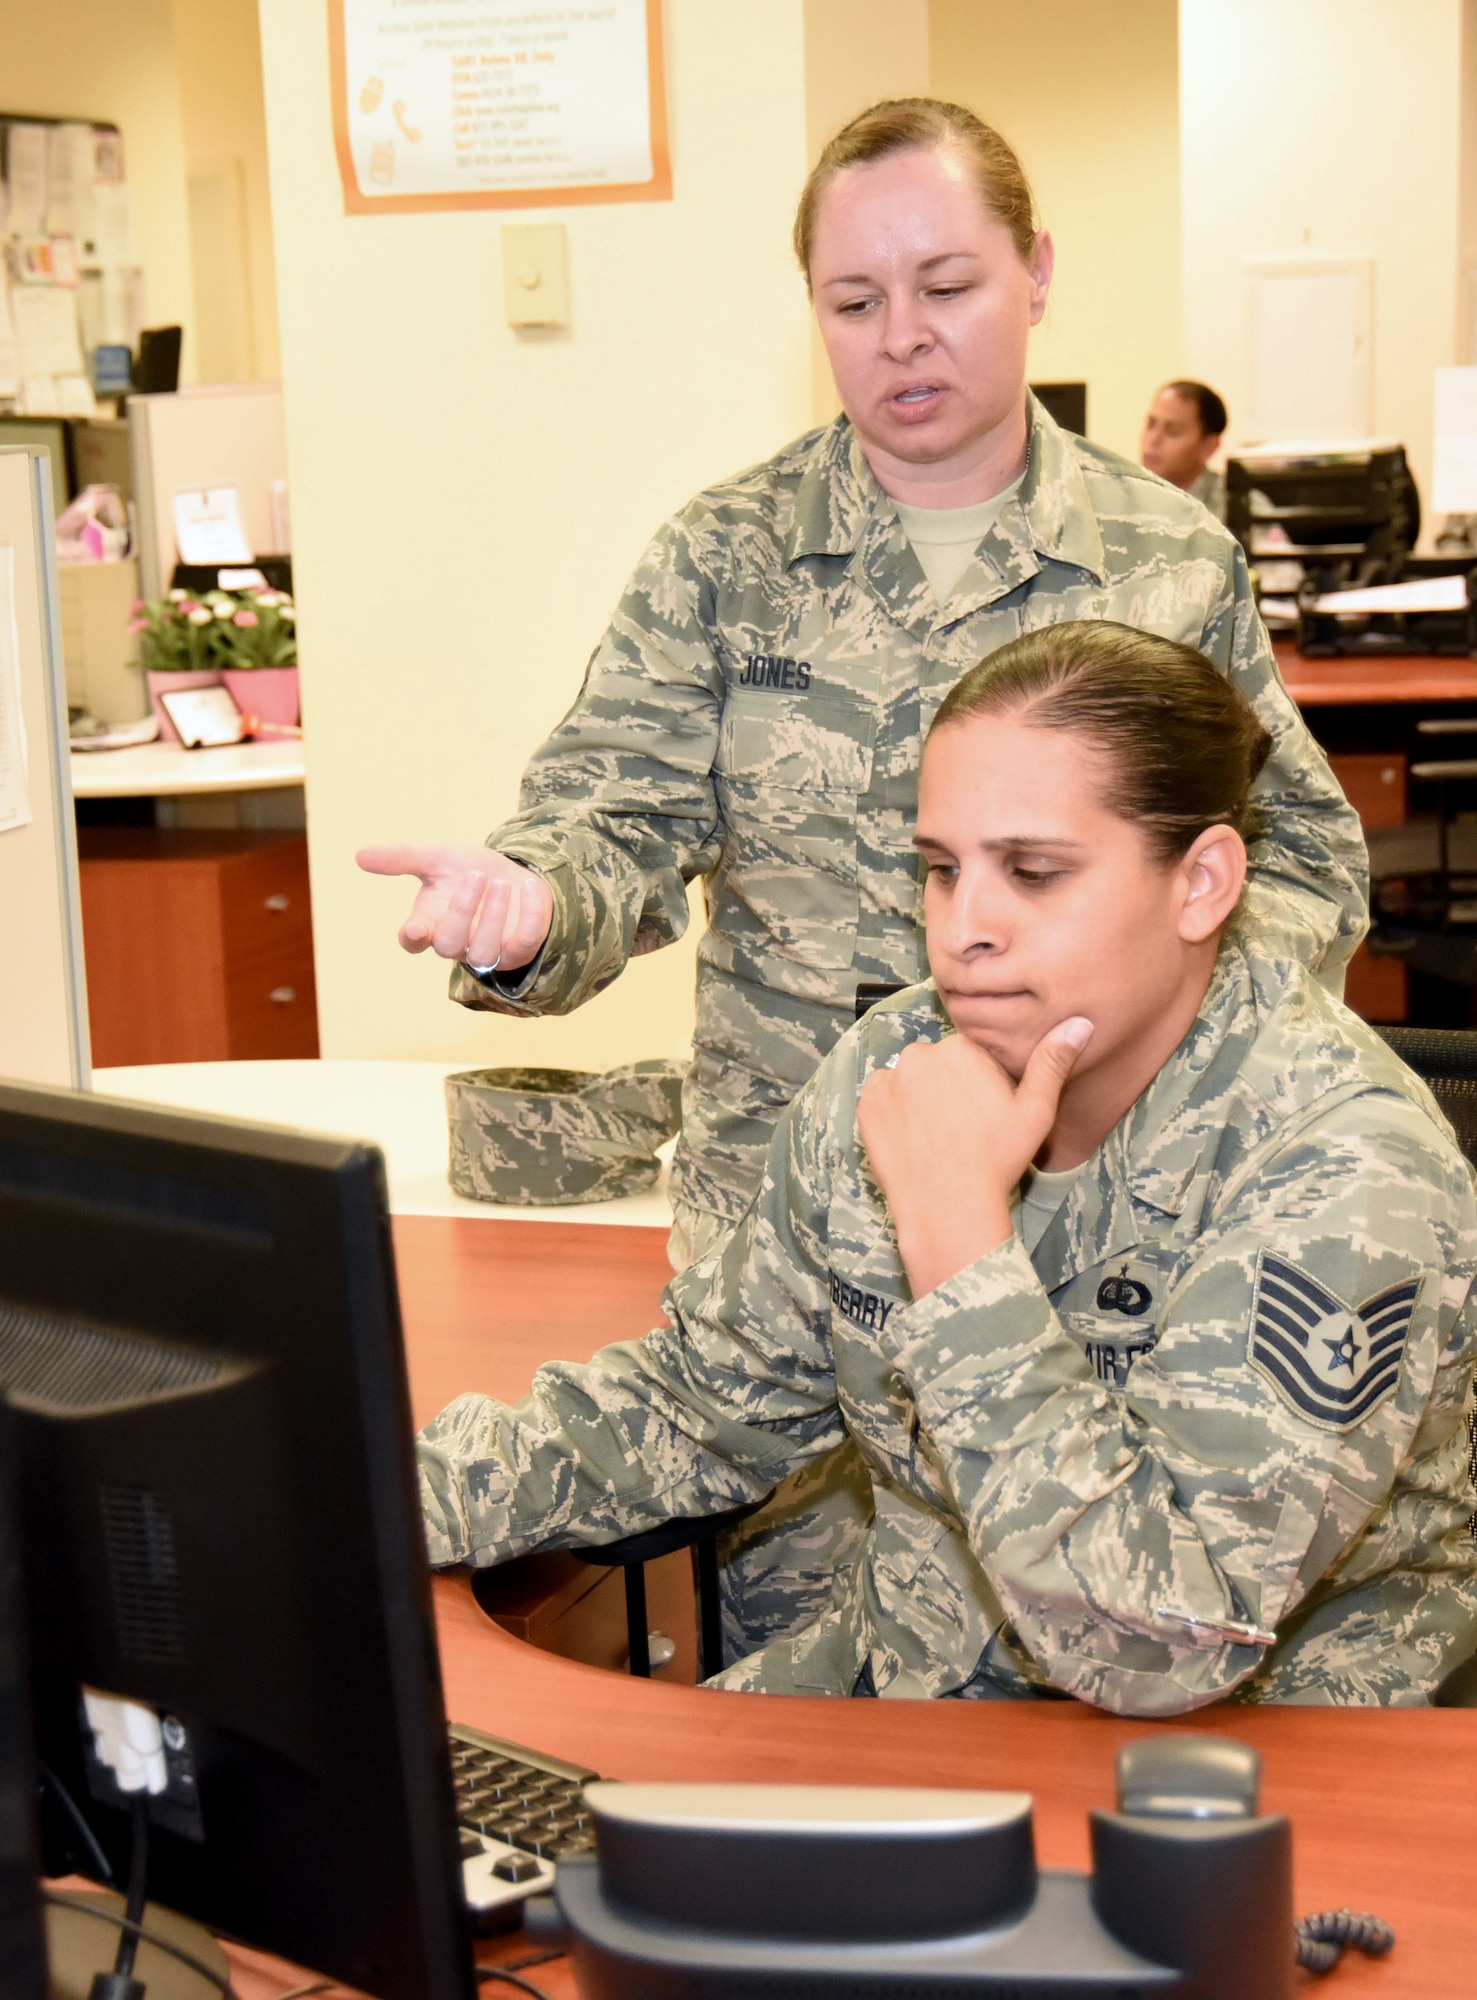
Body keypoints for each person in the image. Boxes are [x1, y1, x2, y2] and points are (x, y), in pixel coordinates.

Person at [367, 98, 1367, 1660]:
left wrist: (1174, 1054)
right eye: (853, 303)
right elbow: (601, 823)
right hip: (798, 1260)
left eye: (948, 286)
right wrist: (534, 907)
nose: (902, 337)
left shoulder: (1166, 560)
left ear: (1035, 273)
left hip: (1096, 1249)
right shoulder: (727, 557)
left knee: (1106, 1650)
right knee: (835, 1715)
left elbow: (1294, 861)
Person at [418, 621, 1477, 1714]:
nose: (962, 930)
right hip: (924, 1677)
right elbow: (706, 1401)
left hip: (1245, 1753)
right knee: (556, 1838)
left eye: (1032, 870)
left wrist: (959, 1238)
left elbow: (1164, 1643)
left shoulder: (1345, 1168)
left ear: (1201, 883)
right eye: (939, 868)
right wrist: (375, 1494)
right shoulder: (904, 1059)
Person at [1140, 379, 1229, 520]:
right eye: (1151, 425)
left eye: (1173, 431)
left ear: (1209, 447)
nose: (1154, 440)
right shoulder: (1123, 496)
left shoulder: (1236, 505)